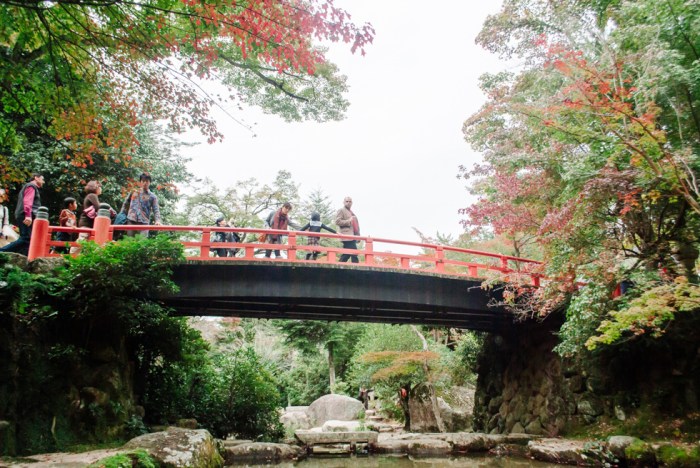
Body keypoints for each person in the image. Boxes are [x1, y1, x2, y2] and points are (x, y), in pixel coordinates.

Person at [0, 173, 45, 255]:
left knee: (29, 241)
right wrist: (28, 216)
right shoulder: (31, 186)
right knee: (26, 239)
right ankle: (1, 251)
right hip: (26, 215)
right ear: (36, 178)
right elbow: (28, 201)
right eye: (42, 179)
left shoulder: (29, 187)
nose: (43, 182)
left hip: (24, 214)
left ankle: (23, 258)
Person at [121, 173, 162, 237]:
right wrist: (121, 214)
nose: (145, 183)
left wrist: (157, 221)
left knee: (142, 242)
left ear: (150, 182)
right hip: (131, 220)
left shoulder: (152, 196)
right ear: (140, 182)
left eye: (147, 181)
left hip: (144, 223)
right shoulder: (133, 192)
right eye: (143, 181)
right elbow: (126, 203)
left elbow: (156, 209)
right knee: (129, 240)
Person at [335, 196, 360, 263]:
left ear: (352, 203)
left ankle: (339, 265)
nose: (348, 203)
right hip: (346, 235)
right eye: (347, 201)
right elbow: (337, 222)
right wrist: (348, 221)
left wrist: (358, 236)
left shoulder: (352, 212)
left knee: (347, 253)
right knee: (354, 252)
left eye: (350, 201)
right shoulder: (341, 210)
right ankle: (356, 267)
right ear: (343, 202)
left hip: (352, 236)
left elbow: (356, 225)